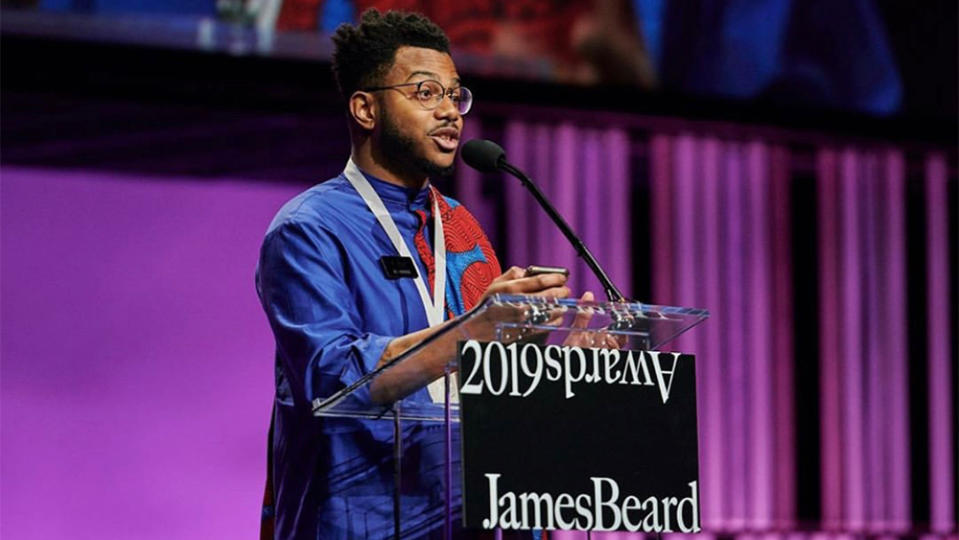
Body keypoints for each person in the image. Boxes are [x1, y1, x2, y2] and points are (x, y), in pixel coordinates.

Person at [255, 9, 572, 539]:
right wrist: (474, 330)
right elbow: (333, 381)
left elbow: (485, 389)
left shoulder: (461, 228)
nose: (450, 112)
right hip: (356, 522)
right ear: (365, 108)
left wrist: (557, 367)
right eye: (426, 93)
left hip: (464, 522)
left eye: (455, 95)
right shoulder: (308, 230)